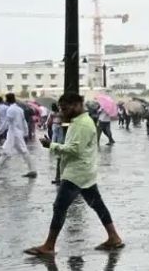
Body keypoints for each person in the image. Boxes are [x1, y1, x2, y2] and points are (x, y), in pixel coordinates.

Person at [24, 93, 124, 256]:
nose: (62, 111)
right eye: (61, 108)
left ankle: (49, 245)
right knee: (97, 204)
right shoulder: (79, 122)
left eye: (65, 108)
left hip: (76, 173)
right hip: (84, 171)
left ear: (77, 105)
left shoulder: (82, 124)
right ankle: (114, 237)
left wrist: (52, 145)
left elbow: (74, 150)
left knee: (60, 207)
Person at [0, 93, 38, 178]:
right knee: (10, 151)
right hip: (17, 133)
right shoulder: (19, 109)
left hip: (13, 133)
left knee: (13, 151)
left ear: (7, 100)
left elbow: (6, 123)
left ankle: (32, 170)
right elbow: (24, 122)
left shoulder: (10, 110)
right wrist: (26, 132)